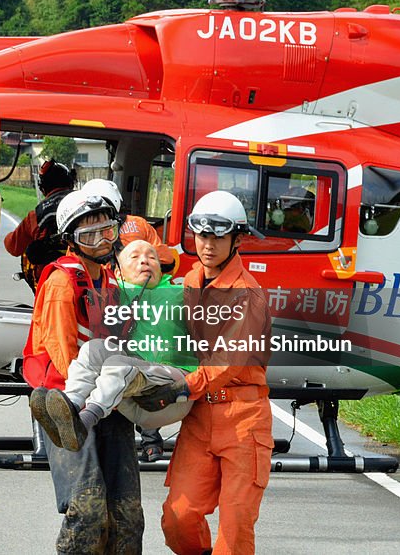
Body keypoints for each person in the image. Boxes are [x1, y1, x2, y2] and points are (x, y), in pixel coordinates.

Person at [21, 190, 143, 554]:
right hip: (68, 407)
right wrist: (96, 397)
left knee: (126, 515)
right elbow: (63, 355)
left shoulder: (111, 283)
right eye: (89, 235)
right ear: (70, 241)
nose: (101, 241)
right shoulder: (62, 283)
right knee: (88, 508)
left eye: (107, 231)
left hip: (109, 404)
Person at [158, 190, 273, 555]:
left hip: (243, 419)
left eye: (218, 236)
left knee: (235, 527)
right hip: (199, 414)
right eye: (202, 235)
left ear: (237, 238)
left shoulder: (248, 296)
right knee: (179, 517)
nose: (207, 245)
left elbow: (226, 361)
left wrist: (178, 387)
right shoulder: (190, 282)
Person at [29, 239, 198, 454]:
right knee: (95, 348)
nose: (145, 261)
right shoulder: (115, 296)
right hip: (130, 394)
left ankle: (84, 422)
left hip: (171, 391)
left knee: (117, 363)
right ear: (118, 272)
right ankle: (69, 408)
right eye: (134, 257)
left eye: (152, 257)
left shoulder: (180, 294)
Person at [80, 178, 176, 460]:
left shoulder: (124, 228)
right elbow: (166, 255)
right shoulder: (138, 224)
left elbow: (164, 257)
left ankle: (146, 435)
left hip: (121, 295)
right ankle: (149, 438)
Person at [4, 160, 76, 291]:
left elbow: (13, 247)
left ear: (42, 187)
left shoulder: (37, 214)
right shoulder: (84, 204)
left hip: (49, 280)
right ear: (71, 182)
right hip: (88, 276)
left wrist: (9, 236)